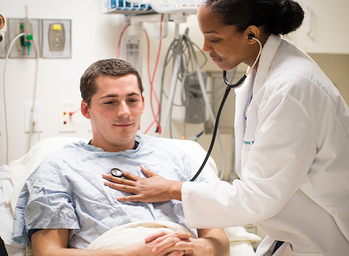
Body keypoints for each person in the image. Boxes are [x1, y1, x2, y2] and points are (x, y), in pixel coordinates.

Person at [102, 1, 349, 256]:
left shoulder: (291, 86)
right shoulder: (262, 76)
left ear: (251, 35)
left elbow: (258, 197)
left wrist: (172, 189)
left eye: (213, 38)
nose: (205, 47)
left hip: (336, 235)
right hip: (295, 232)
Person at [12, 59, 230, 256]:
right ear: (85, 110)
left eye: (132, 100)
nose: (124, 112)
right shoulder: (58, 168)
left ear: (143, 103)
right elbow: (48, 253)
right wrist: (134, 253)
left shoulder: (179, 158)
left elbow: (219, 241)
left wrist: (195, 247)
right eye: (110, 102)